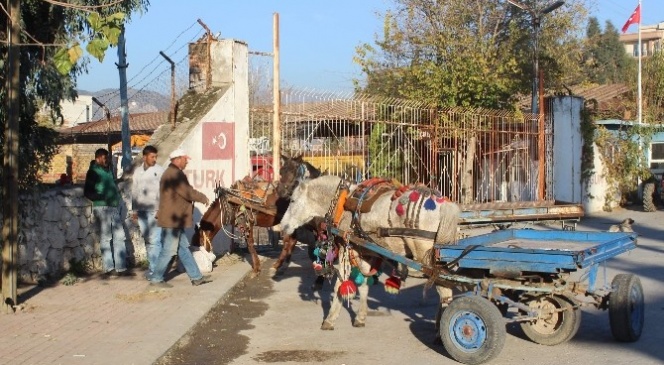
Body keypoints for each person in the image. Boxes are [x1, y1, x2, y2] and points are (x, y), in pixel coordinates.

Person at [149, 148, 212, 288]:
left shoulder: (172, 173)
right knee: (168, 251)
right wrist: (202, 197)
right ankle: (156, 278)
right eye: (185, 159)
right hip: (173, 219)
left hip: (174, 219)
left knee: (183, 249)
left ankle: (196, 277)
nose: (187, 162)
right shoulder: (175, 174)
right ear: (177, 159)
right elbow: (188, 192)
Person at [84, 148, 132, 277]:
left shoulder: (108, 170)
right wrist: (103, 198)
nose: (107, 160)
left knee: (116, 236)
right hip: (103, 207)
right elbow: (87, 192)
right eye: (105, 158)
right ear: (98, 158)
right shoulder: (93, 172)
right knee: (109, 237)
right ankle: (110, 268)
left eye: (108, 158)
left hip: (112, 207)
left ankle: (118, 267)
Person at [131, 145, 164, 279]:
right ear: (144, 157)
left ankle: (157, 272)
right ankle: (152, 268)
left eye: (156, 157)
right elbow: (134, 191)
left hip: (155, 210)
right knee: (149, 241)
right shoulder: (138, 172)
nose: (154, 159)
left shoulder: (160, 170)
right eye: (152, 157)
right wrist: (134, 210)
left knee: (156, 241)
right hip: (142, 211)